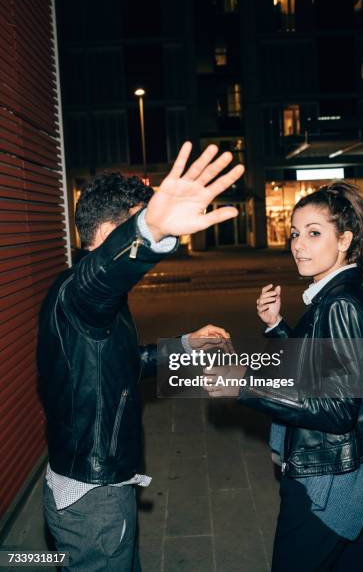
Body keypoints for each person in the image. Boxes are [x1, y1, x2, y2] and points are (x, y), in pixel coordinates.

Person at [38, 142, 243, 571]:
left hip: (93, 484)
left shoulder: (89, 299)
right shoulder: (81, 293)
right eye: (136, 220)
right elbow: (98, 279)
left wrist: (186, 345)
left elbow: (124, 366)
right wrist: (148, 230)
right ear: (119, 227)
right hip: (95, 496)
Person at [205, 181, 363, 571]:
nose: (298, 244)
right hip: (356, 467)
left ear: (345, 239)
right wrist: (277, 326)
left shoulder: (340, 305)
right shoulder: (343, 293)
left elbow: (335, 409)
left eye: (314, 233)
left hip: (332, 476)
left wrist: (244, 383)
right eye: (295, 233)